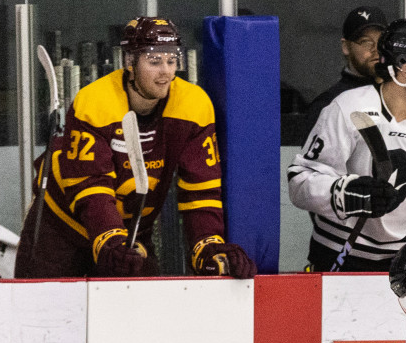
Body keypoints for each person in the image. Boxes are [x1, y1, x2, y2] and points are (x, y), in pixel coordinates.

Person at [14, 17, 254, 280]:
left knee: (140, 314)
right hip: (60, 228)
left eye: (171, 61)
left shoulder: (194, 106)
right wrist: (110, 243)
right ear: (129, 62)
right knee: (45, 318)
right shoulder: (95, 102)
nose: (166, 72)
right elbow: (91, 191)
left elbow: (201, 192)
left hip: (133, 231)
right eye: (154, 62)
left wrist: (208, 247)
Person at [288, 19, 406, 271]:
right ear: (404, 66)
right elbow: (299, 182)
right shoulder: (347, 106)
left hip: (404, 259)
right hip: (338, 249)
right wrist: (344, 194)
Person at [300, 6, 387, 138]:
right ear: (346, 47)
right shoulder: (328, 104)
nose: (376, 49)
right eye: (366, 42)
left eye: (381, 41)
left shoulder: (398, 96)